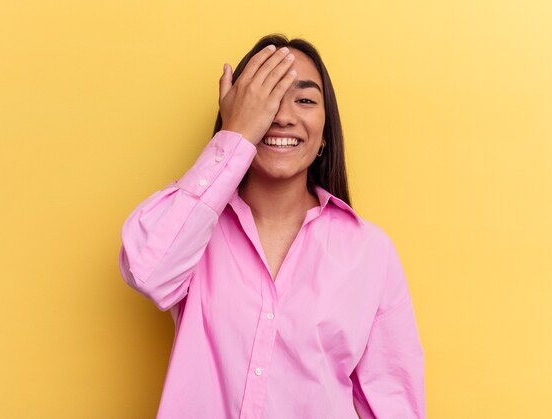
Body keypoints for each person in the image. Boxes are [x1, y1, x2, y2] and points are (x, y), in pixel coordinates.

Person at [119, 34, 425, 419]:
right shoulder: (193, 233)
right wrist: (237, 135)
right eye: (266, 100)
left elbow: (393, 403)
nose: (281, 116)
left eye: (305, 100)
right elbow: (147, 270)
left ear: (326, 134)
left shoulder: (369, 252)